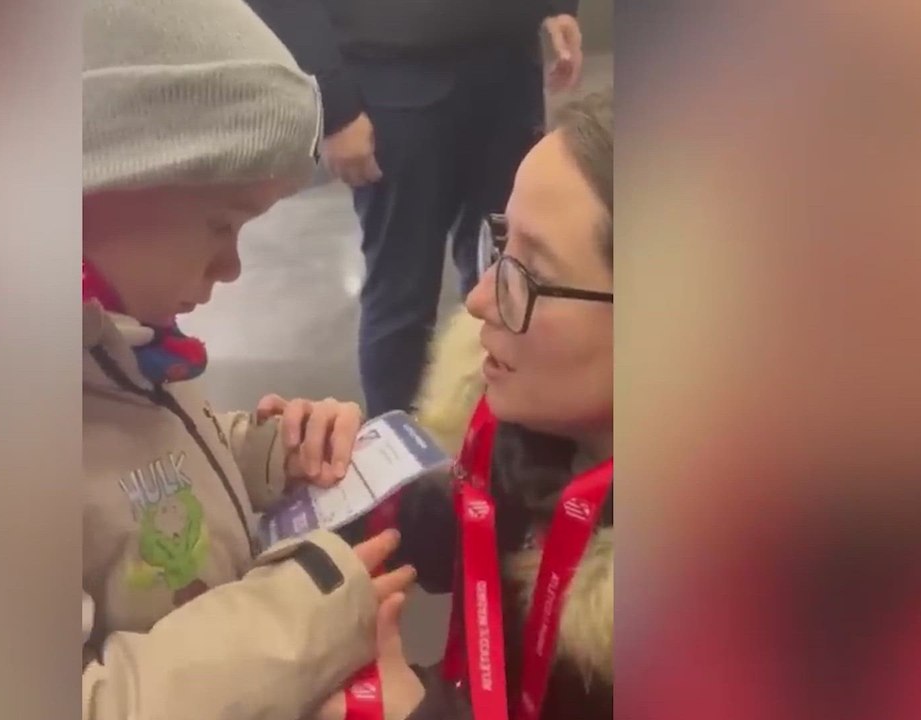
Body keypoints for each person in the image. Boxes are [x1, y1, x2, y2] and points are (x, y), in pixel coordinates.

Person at [80, 0, 416, 718]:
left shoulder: (110, 344)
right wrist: (304, 613)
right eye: (220, 223)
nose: (232, 266)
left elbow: (123, 471)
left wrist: (255, 456)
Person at [326, 89, 615, 720]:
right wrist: (342, 493)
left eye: (529, 272)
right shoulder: (525, 435)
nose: (479, 298)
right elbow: (471, 526)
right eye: (501, 244)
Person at [245, 0, 588, 418]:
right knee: (402, 295)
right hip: (396, 82)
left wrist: (557, 6)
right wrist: (332, 104)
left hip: (510, 69)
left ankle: (500, 448)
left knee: (509, 278)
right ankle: (401, 464)